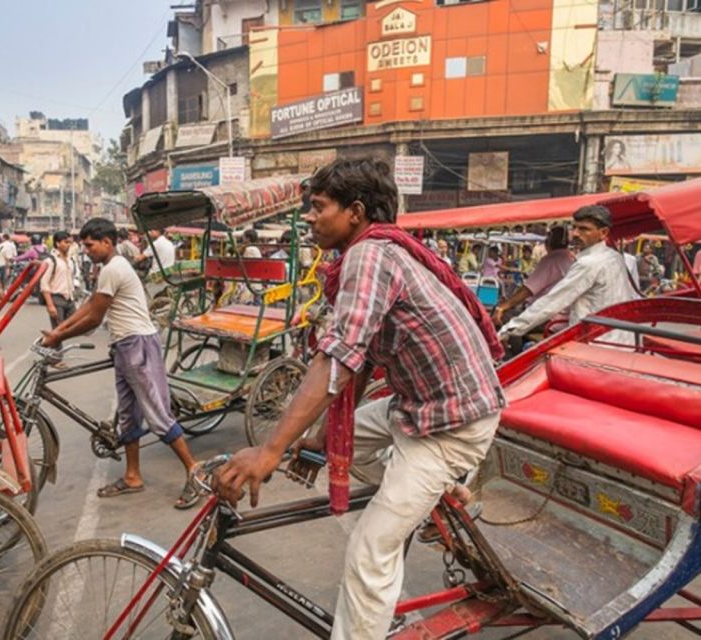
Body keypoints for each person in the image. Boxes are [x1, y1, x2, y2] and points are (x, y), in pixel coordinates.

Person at [216, 159, 505, 640]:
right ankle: (437, 490)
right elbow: (360, 356)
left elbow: (337, 360)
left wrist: (270, 450)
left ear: (354, 212)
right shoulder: (372, 253)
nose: (309, 217)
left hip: (451, 425)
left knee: (369, 552)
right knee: (332, 449)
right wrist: (316, 436)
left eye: (318, 207)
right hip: (416, 409)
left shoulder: (370, 256)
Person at [40, 218, 205, 509]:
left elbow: (94, 317)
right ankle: (132, 476)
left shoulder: (114, 268)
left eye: (90, 245)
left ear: (107, 242)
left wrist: (58, 336)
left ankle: (196, 471)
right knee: (128, 415)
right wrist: (59, 330)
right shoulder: (109, 269)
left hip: (137, 344)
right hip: (125, 346)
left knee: (157, 415)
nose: (87, 250)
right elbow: (91, 304)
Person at [499, 205, 637, 341]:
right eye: (574, 227)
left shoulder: (589, 263)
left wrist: (505, 332)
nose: (576, 233)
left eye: (584, 229)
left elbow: (551, 302)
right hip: (619, 338)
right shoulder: (614, 257)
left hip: (595, 341)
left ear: (603, 233)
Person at [492, 226, 575, 326]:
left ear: (548, 242)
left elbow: (527, 290)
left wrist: (503, 307)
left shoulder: (551, 260)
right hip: (559, 314)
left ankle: (507, 341)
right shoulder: (570, 258)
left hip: (546, 317)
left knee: (503, 316)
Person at [40, 231, 76, 329]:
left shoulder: (70, 261)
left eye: (70, 242)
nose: (68, 245)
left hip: (70, 299)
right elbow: (44, 283)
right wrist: (50, 305)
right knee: (57, 331)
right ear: (58, 243)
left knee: (74, 327)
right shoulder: (51, 260)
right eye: (65, 242)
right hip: (57, 299)